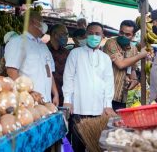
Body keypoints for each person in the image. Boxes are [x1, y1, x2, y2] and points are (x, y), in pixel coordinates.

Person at [62, 22, 115, 151]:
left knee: (96, 146)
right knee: (79, 145)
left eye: (97, 34)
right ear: (86, 34)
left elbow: (108, 82)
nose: (94, 36)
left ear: (103, 36)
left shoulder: (105, 58)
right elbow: (68, 77)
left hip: (99, 108)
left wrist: (108, 104)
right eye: (90, 33)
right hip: (79, 107)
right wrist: (67, 101)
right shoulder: (75, 53)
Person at [5, 10, 59, 105]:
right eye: (41, 21)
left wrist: (55, 93)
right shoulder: (17, 42)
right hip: (28, 102)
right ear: (33, 22)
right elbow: (11, 71)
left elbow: (48, 71)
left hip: (46, 100)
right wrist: (28, 93)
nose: (44, 24)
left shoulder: (43, 46)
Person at [103, 20, 147, 111]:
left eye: (127, 34)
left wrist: (134, 79)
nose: (123, 36)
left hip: (122, 95)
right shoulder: (111, 43)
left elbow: (132, 68)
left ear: (133, 36)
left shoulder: (133, 48)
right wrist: (140, 55)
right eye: (121, 33)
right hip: (108, 95)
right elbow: (121, 64)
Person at [47, 24, 69, 106]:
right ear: (55, 35)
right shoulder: (44, 51)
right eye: (64, 34)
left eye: (67, 34)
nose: (66, 37)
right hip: (48, 96)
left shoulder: (67, 53)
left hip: (64, 97)